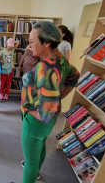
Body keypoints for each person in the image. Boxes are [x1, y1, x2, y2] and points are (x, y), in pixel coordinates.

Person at [21, 21, 80, 183]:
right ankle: (36, 174)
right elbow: (75, 76)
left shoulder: (45, 67)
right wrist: (58, 97)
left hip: (35, 121)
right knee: (40, 148)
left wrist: (29, 109)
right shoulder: (61, 60)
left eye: (32, 41)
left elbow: (46, 109)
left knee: (30, 161)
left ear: (47, 43)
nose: (29, 45)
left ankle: (32, 175)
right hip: (49, 120)